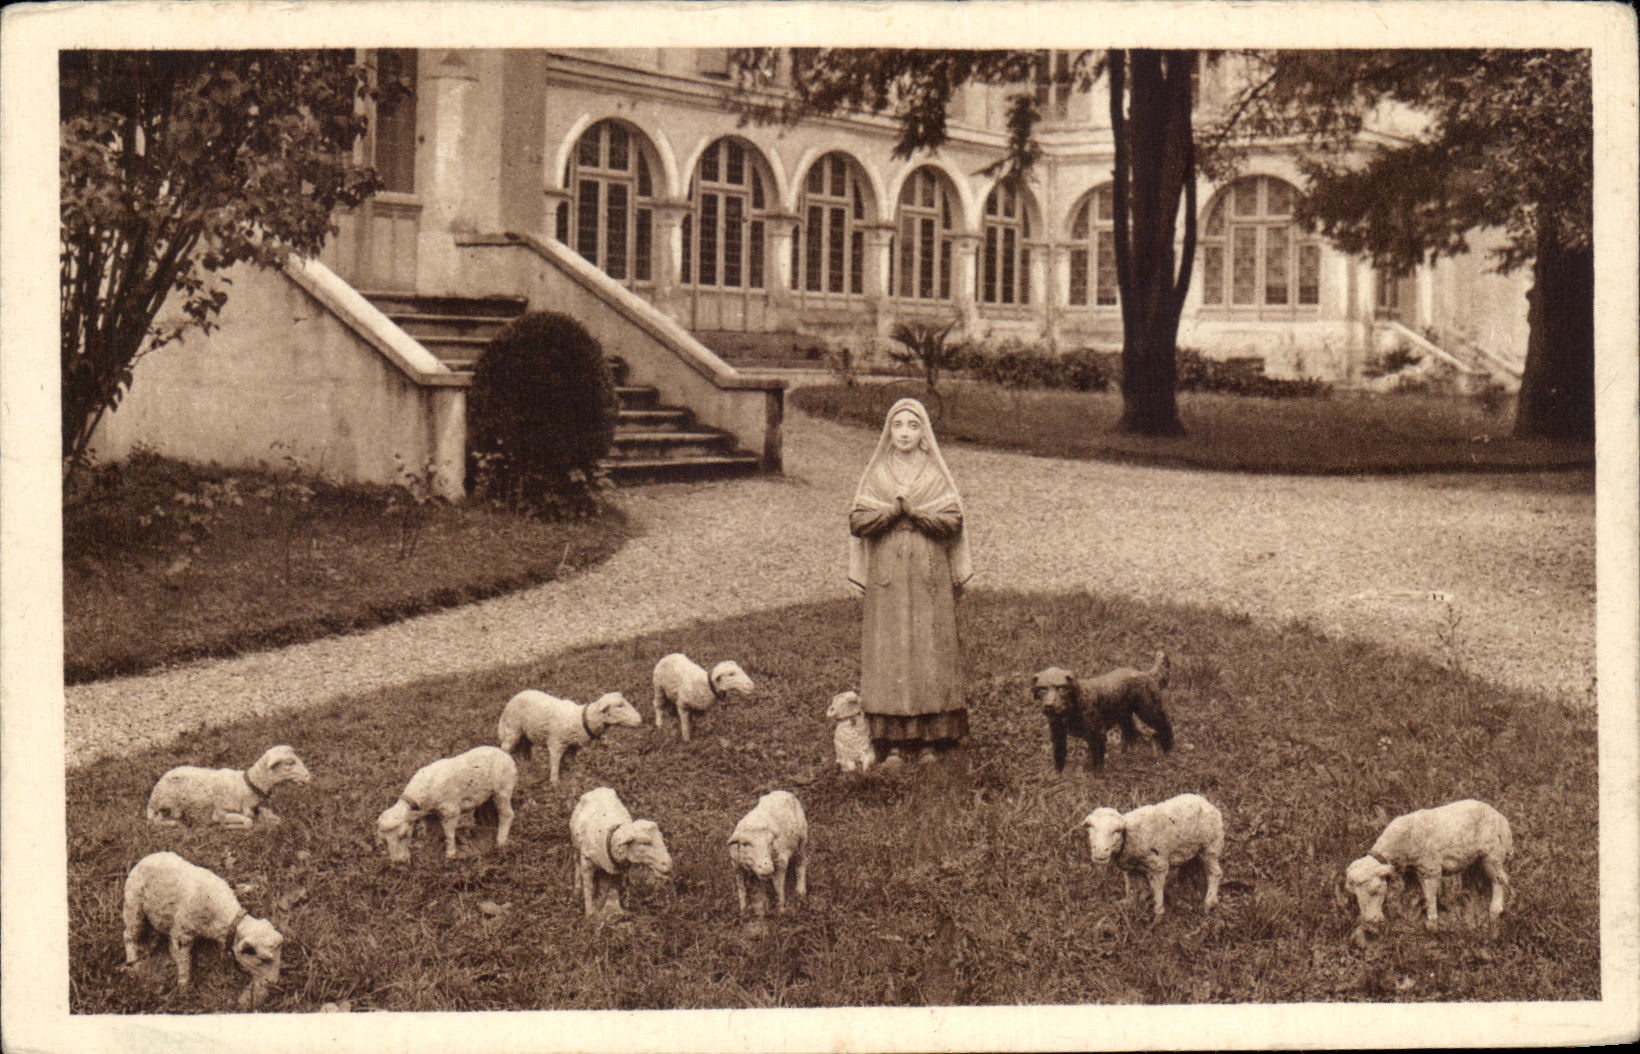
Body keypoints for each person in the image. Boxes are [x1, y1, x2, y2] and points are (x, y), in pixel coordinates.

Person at [847, 398, 973, 766]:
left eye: (912, 425)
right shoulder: (878, 473)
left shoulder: (935, 475)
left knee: (929, 645)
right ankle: (894, 741)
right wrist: (890, 512)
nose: (904, 432)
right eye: (897, 425)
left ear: (924, 435)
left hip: (928, 572)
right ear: (889, 431)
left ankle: (933, 737)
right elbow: (857, 520)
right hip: (887, 572)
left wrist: (915, 513)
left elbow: (952, 520)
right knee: (891, 648)